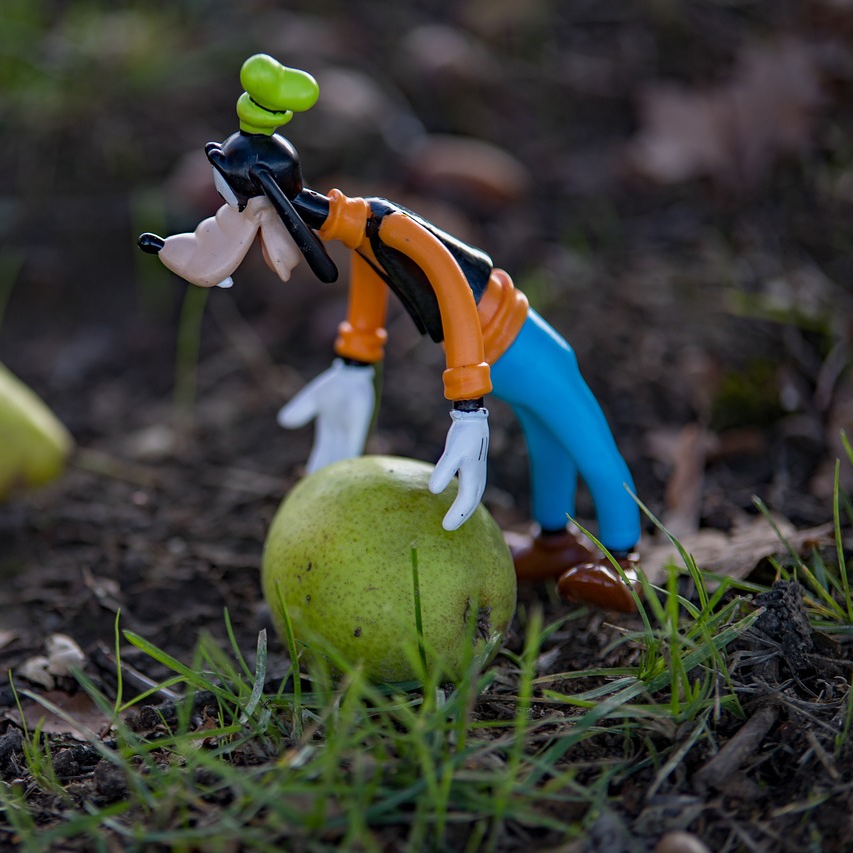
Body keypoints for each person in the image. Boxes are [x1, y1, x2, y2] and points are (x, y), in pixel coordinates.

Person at [138, 55, 641, 611]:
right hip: (496, 356)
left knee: (587, 445)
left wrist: (467, 402)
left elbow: (452, 283)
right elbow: (371, 277)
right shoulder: (358, 227)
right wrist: (355, 361)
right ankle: (554, 542)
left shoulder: (389, 222)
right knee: (547, 444)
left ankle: (626, 559)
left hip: (522, 345)